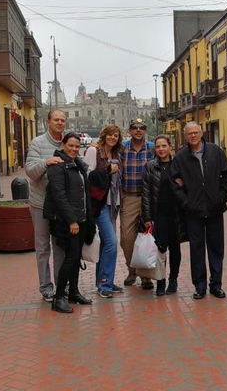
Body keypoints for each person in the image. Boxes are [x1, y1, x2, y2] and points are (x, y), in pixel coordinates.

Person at [170, 121, 227, 300]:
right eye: (189, 134)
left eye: (196, 132)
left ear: (201, 132)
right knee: (196, 249)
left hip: (215, 209)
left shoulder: (215, 152)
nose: (193, 136)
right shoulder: (180, 157)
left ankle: (216, 285)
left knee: (216, 248)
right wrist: (186, 203)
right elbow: (174, 183)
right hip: (193, 211)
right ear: (185, 136)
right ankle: (200, 285)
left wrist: (222, 197)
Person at [43, 132, 94, 314]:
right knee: (70, 258)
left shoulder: (78, 165)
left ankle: (73, 292)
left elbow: (83, 192)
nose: (73, 149)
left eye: (76, 146)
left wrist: (86, 219)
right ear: (63, 145)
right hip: (67, 221)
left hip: (81, 219)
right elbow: (59, 195)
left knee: (75, 257)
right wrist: (72, 220)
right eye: (70, 145)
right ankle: (58, 298)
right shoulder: (57, 166)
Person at [25, 109, 66, 302]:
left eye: (62, 120)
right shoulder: (38, 143)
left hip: (61, 206)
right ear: (48, 121)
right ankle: (45, 287)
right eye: (56, 120)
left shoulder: (68, 144)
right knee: (42, 247)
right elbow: (31, 171)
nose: (59, 123)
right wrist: (46, 162)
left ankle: (61, 286)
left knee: (60, 247)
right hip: (41, 203)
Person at [83, 124, 124, 298]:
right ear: (103, 135)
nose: (113, 138)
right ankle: (104, 284)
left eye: (116, 135)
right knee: (112, 243)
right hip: (99, 205)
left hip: (112, 204)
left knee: (107, 243)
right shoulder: (94, 151)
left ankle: (105, 280)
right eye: (110, 135)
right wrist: (108, 169)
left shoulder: (116, 154)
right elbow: (87, 176)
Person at [141, 135, 185, 296]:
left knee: (175, 247)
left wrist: (183, 183)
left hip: (177, 213)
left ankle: (173, 279)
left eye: (164, 146)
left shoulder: (178, 165)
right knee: (160, 248)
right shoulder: (150, 166)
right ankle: (160, 280)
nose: (161, 149)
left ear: (170, 147)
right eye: (158, 147)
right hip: (158, 214)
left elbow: (188, 184)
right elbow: (145, 194)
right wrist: (147, 217)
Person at [119, 118, 155, 289]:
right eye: (135, 128)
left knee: (149, 236)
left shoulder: (153, 148)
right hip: (129, 197)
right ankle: (131, 269)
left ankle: (145, 276)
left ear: (145, 130)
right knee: (127, 238)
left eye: (142, 127)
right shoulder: (122, 148)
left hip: (150, 198)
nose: (138, 130)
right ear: (129, 131)